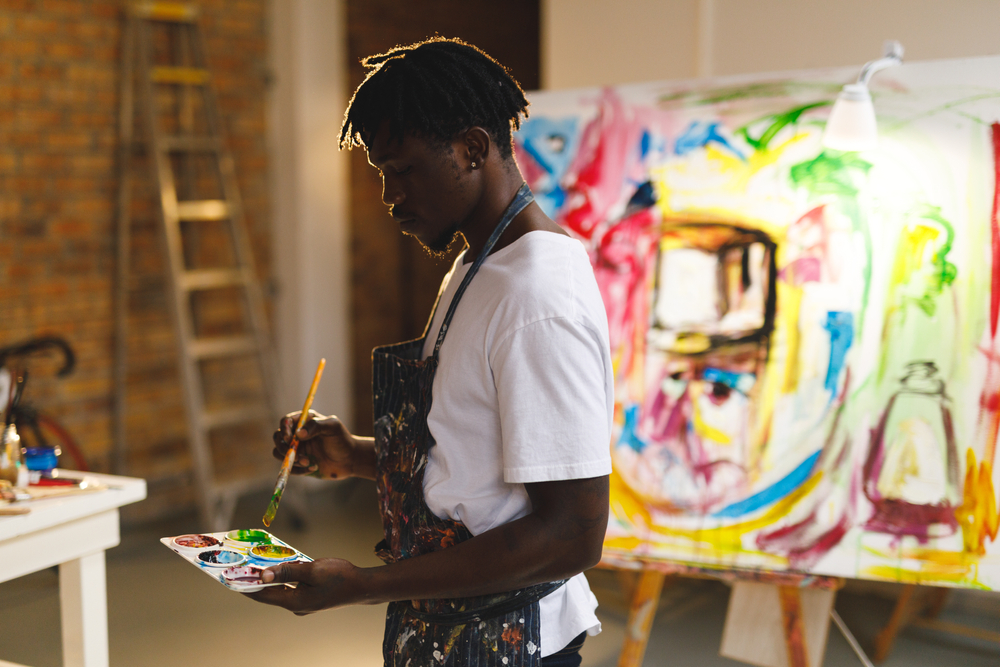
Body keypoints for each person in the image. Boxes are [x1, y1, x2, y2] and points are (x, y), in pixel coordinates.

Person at [249, 37, 614, 667]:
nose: (391, 195)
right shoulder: (477, 265)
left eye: (404, 169)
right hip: (449, 626)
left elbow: (573, 533)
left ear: (472, 149)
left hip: (513, 641)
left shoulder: (537, 296)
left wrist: (366, 586)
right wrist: (356, 457)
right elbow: (473, 460)